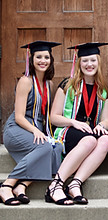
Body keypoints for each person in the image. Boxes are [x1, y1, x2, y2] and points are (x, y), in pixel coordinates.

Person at [45, 42, 108, 205]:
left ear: (98, 62)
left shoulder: (103, 89)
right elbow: (54, 117)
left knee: (105, 140)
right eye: (85, 61)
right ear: (79, 63)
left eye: (93, 60)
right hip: (66, 131)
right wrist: (74, 122)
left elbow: (106, 120)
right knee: (90, 140)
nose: (89, 64)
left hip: (89, 133)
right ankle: (56, 185)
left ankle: (75, 184)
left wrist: (102, 126)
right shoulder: (67, 85)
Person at [0, 41, 63, 206]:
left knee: (57, 148)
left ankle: (22, 186)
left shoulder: (49, 84)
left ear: (51, 60)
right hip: (17, 129)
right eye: (39, 57)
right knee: (45, 147)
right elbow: (19, 116)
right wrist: (36, 131)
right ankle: (7, 185)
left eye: (46, 57)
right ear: (32, 59)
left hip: (37, 130)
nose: (43, 60)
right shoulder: (26, 81)